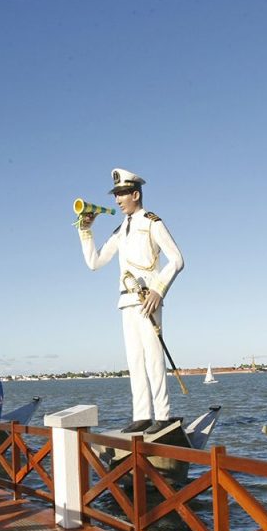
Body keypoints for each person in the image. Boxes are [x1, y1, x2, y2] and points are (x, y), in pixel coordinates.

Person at [77, 168, 184, 434]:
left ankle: (162, 415)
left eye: (122, 193)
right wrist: (85, 232)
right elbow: (95, 262)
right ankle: (142, 415)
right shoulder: (120, 229)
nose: (117, 199)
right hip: (126, 301)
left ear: (136, 194)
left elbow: (177, 259)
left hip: (148, 298)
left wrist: (159, 290)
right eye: (116, 194)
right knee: (135, 360)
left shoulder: (152, 222)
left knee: (153, 358)